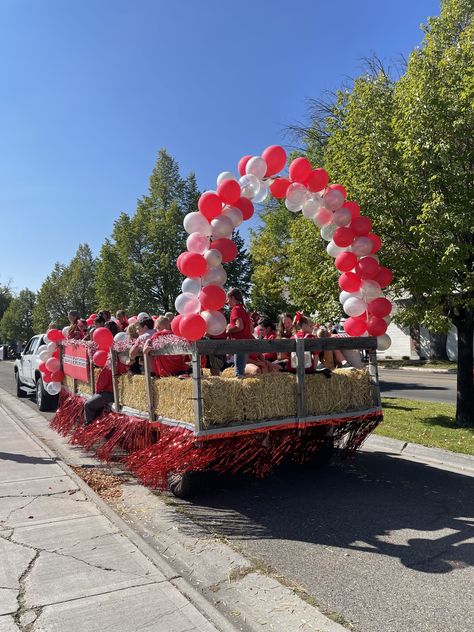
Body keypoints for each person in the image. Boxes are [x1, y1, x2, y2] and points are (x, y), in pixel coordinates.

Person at [84, 356, 127, 425]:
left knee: (88, 405)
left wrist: (98, 393)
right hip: (117, 393)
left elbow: (102, 382)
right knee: (96, 402)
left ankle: (88, 426)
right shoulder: (122, 363)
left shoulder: (110, 364)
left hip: (110, 393)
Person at [226, 288, 252, 378]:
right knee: (241, 371)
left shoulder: (236, 309)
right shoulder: (243, 309)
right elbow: (250, 329)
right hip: (246, 342)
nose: (227, 302)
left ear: (233, 298)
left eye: (228, 299)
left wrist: (229, 330)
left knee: (239, 374)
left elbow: (239, 326)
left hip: (239, 343)